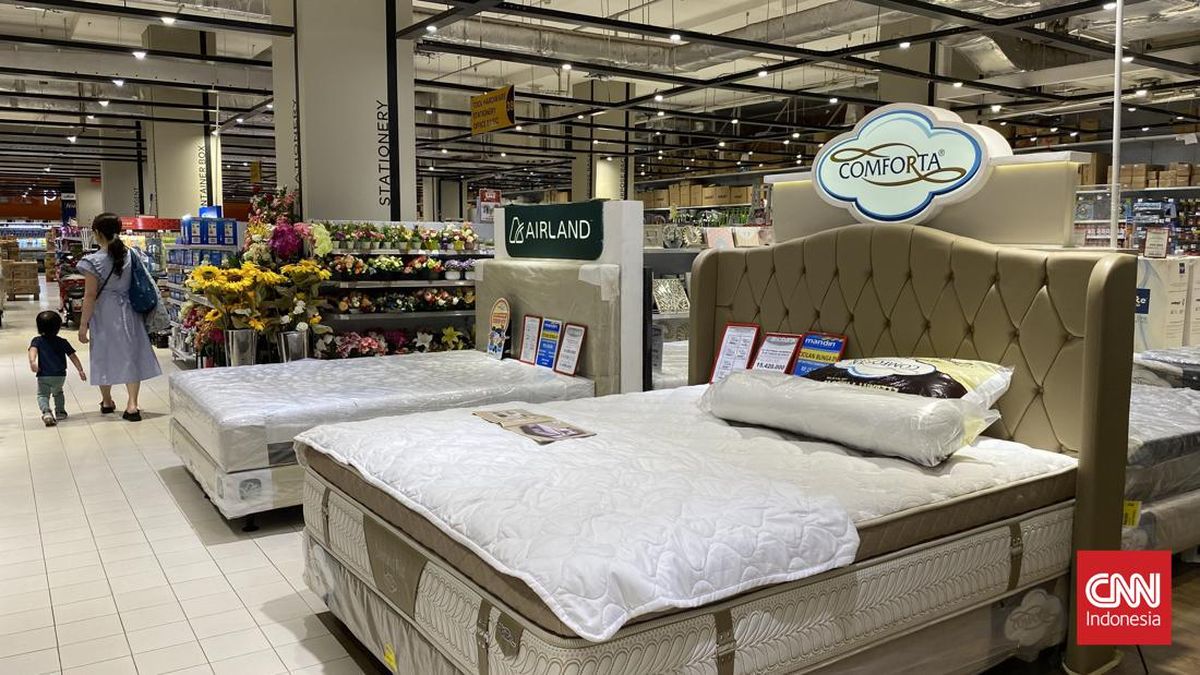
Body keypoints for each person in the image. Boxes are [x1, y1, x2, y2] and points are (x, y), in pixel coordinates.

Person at [77, 212, 162, 421]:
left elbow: (89, 295)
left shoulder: (92, 261)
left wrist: (83, 324)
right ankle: (132, 404)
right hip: (129, 311)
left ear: (97, 233)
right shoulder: (130, 254)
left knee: (103, 354)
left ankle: (107, 401)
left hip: (104, 313)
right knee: (130, 355)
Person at [29, 310, 86, 427]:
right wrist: (80, 370)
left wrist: (32, 361)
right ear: (58, 327)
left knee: (42, 395)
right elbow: (73, 356)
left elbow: (32, 350)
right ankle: (60, 412)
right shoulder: (62, 342)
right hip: (60, 375)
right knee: (58, 393)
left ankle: (46, 412)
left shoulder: (37, 341)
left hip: (44, 374)